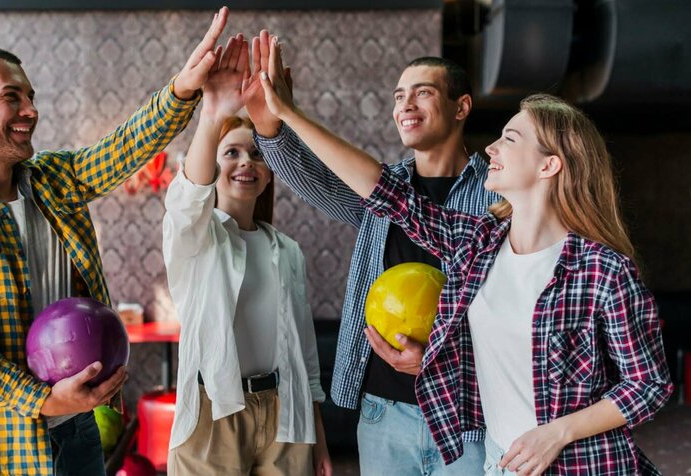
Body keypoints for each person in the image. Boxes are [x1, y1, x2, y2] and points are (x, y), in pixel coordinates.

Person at [258, 39, 673, 475]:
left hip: (581, 465)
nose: (491, 148)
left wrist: (556, 433)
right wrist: (287, 115)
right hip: (498, 461)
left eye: (509, 138)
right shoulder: (478, 245)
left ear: (548, 166)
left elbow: (649, 385)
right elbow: (384, 192)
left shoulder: (602, 269)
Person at [0, 8, 230, 475]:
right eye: (13, 96)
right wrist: (41, 399)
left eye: (30, 96)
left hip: (77, 435)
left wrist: (184, 88)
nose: (31, 110)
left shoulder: (53, 178)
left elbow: (125, 146)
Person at [241, 31, 498, 474]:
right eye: (400, 96)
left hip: (467, 419)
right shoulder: (382, 190)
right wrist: (269, 126)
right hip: (383, 412)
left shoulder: (498, 193)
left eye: (423, 93)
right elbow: (314, 180)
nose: (406, 105)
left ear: (462, 107)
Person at [162, 34, 331, 476]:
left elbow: (306, 357)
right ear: (214, 164)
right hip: (213, 411)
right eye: (232, 152)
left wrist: (319, 439)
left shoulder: (288, 251)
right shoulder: (197, 241)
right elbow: (186, 202)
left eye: (256, 154)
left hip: (285, 413)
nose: (246, 163)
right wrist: (213, 113)